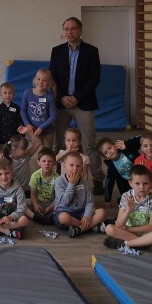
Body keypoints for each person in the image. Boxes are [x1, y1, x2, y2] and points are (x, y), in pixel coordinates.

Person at [49, 17, 104, 192]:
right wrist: (62, 97)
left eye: (72, 28)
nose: (69, 32)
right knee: (59, 144)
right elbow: (52, 78)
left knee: (89, 144)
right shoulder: (57, 51)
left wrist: (77, 97)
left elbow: (94, 79)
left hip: (84, 103)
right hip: (61, 104)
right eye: (66, 29)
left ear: (80, 30)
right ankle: (55, 178)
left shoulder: (91, 51)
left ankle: (98, 179)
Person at [104, 164, 152, 253]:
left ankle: (127, 244)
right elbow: (119, 223)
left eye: (145, 183)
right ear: (130, 183)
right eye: (137, 183)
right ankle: (147, 244)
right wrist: (129, 210)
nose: (141, 187)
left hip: (146, 233)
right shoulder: (126, 196)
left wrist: (130, 229)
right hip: (129, 233)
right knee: (109, 228)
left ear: (151, 183)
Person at [53, 151, 107, 238]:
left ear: (82, 168)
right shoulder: (59, 181)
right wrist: (71, 184)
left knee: (102, 212)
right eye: (71, 165)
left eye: (78, 166)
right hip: (64, 212)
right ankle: (90, 227)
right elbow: (64, 202)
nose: (75, 169)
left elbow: (90, 202)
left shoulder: (85, 183)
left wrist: (87, 216)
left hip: (80, 212)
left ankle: (80, 229)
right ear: (64, 167)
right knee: (63, 218)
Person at [19, 69, 58, 150]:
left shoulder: (49, 96)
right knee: (37, 151)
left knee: (47, 152)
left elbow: (54, 116)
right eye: (38, 79)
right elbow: (23, 110)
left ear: (49, 83)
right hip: (33, 130)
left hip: (48, 132)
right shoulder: (27, 93)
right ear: (34, 79)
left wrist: (41, 128)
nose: (40, 82)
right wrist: (27, 124)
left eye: (44, 80)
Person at [98, 135, 141, 207]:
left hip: (141, 180)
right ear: (106, 158)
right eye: (106, 152)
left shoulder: (127, 149)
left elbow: (141, 139)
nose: (109, 152)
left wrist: (126, 143)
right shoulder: (111, 167)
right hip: (128, 188)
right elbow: (109, 182)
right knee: (126, 201)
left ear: (115, 146)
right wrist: (107, 199)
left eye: (110, 148)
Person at [28, 148, 59, 225]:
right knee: (23, 204)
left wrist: (51, 207)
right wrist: (35, 205)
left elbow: (58, 197)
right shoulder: (35, 176)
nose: (47, 164)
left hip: (51, 203)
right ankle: (38, 216)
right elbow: (33, 195)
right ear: (38, 162)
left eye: (50, 161)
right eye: (44, 161)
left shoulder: (57, 178)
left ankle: (50, 216)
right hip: (39, 202)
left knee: (62, 205)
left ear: (54, 163)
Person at [0, 82, 22, 147]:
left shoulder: (17, 108)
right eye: (5, 93)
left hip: (14, 141)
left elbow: (20, 124)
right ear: (0, 94)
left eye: (10, 93)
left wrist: (21, 139)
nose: (8, 95)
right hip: (1, 141)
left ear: (14, 94)